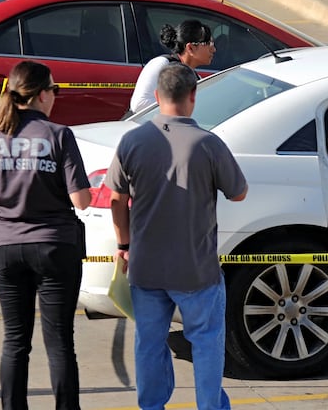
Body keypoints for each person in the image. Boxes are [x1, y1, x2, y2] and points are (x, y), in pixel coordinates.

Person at [107, 62, 247, 410]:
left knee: (149, 344)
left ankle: (152, 406)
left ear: (156, 97)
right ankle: (209, 406)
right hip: (196, 269)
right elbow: (239, 192)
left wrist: (124, 244)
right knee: (206, 343)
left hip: (147, 267)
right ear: (193, 97)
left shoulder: (132, 141)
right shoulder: (208, 144)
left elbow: (115, 198)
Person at [0, 60, 91, 410]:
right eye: (54, 89)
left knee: (15, 341)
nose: (56, 96)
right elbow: (80, 199)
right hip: (54, 245)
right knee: (60, 342)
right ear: (39, 95)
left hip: (5, 246)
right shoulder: (58, 134)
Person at [129, 19, 215, 113]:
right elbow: (139, 104)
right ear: (190, 48)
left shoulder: (196, 78)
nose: (213, 49)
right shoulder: (162, 64)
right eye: (208, 43)